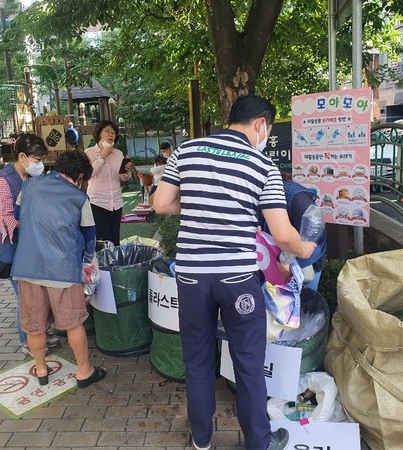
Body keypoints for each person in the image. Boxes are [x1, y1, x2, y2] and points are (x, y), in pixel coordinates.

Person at [153, 93, 316, 450]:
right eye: (268, 132)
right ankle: (258, 442)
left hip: (192, 277)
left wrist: (198, 208)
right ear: (260, 124)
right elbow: (283, 233)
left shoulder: (187, 151)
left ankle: (201, 438)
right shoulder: (263, 167)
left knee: (196, 361)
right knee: (248, 364)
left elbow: (161, 203)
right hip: (237, 279)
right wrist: (307, 249)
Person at [11, 151, 106, 388]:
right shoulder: (79, 197)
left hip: (27, 267)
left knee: (35, 324)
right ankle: (84, 371)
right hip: (62, 270)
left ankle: (41, 369)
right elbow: (89, 237)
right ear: (81, 175)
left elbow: (17, 215)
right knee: (73, 323)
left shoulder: (30, 185)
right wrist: (87, 261)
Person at [0, 133, 59, 357]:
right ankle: (27, 340)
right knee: (26, 296)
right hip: (16, 247)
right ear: (22, 156)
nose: (40, 165)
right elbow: (8, 218)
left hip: (35, 244)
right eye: (37, 160)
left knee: (41, 291)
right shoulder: (2, 181)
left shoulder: (33, 177)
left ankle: (41, 331)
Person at [84, 120, 132, 247]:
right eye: (107, 131)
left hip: (115, 202)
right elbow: (89, 174)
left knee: (115, 239)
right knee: (103, 239)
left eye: (113, 132)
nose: (111, 134)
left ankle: (115, 265)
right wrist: (102, 157)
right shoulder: (89, 152)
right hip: (97, 202)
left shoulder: (118, 154)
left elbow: (122, 178)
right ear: (99, 134)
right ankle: (104, 266)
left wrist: (126, 171)